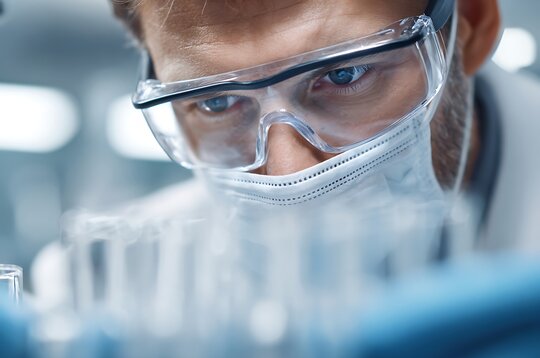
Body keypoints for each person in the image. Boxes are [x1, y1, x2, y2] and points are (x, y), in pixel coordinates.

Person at [107, 0, 539, 248]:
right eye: (217, 102)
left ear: (471, 25)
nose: (291, 175)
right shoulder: (103, 284)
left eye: (344, 74)